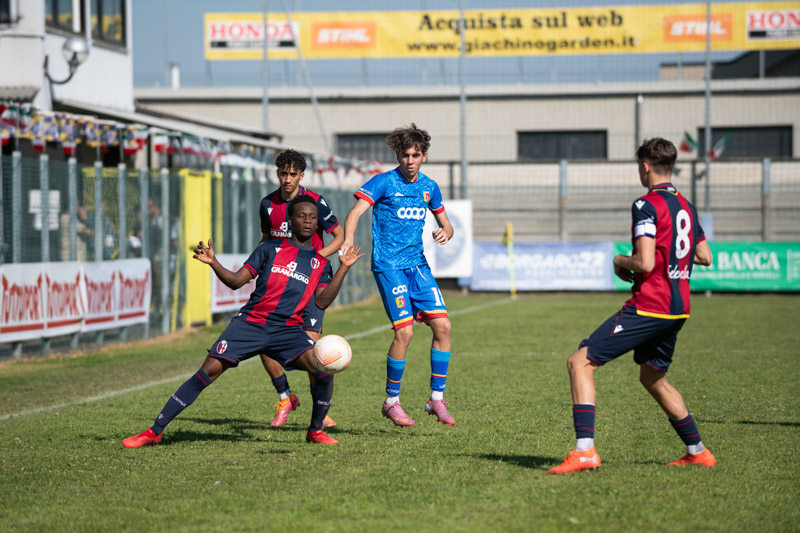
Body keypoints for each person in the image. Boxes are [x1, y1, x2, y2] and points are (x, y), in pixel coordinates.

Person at [122, 195, 364, 448]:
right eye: (301, 216)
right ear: (290, 221)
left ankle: (315, 431)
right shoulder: (268, 249)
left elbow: (322, 302)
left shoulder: (321, 264)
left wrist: (343, 268)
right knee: (206, 372)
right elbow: (237, 281)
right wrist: (214, 262)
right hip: (250, 324)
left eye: (312, 218)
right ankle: (154, 431)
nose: (307, 221)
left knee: (322, 372)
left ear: (317, 224)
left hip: (288, 331)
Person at [549, 137, 715, 474]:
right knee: (653, 378)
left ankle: (585, 451)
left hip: (650, 305)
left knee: (580, 363)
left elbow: (645, 262)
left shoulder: (646, 204)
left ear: (645, 166)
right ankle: (698, 451)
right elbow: (704, 256)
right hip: (678, 308)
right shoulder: (686, 206)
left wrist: (619, 260)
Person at [342, 123, 455, 428]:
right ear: (397, 156)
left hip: (417, 266)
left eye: (415, 155)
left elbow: (446, 224)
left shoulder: (429, 187)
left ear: (424, 156)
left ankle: (436, 399)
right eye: (405, 155)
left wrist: (446, 232)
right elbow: (355, 213)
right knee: (404, 332)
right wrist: (348, 240)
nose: (410, 160)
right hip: (389, 266)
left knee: (443, 326)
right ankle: (391, 402)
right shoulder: (383, 182)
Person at [258, 149, 345, 428]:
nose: (287, 179)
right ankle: (285, 397)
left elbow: (339, 235)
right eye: (283, 173)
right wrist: (257, 266)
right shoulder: (267, 204)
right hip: (280, 281)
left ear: (301, 175)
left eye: (292, 174)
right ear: (277, 173)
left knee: (310, 348)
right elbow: (266, 240)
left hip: (312, 281)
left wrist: (316, 259)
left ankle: (320, 409)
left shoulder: (315, 202)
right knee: (262, 338)